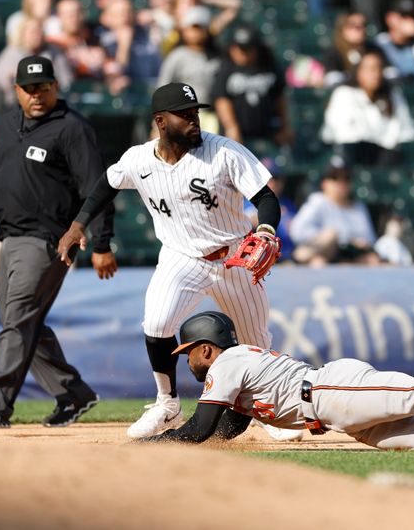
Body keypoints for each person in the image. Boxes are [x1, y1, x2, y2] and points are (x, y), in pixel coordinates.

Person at [56, 82, 301, 441]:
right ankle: (167, 403)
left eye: (195, 113)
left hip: (233, 256)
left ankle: (265, 408)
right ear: (161, 121)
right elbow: (105, 185)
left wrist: (264, 230)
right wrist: (79, 226)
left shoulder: (223, 152)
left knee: (255, 341)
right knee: (156, 322)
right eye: (184, 115)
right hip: (181, 256)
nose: (193, 121)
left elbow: (266, 197)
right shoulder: (139, 160)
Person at [0, 56, 117, 430]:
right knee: (22, 322)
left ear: (55, 87)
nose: (37, 95)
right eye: (29, 88)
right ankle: (72, 393)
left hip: (48, 242)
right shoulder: (8, 123)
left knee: (18, 319)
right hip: (8, 238)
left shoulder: (72, 128)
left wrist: (103, 243)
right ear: (17, 91)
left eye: (44, 87)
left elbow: (98, 188)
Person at [139, 310, 414, 451]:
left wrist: (155, 447)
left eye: (187, 351)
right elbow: (228, 426)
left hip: (331, 392)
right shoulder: (233, 367)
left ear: (206, 348)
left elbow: (201, 428)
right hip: (334, 413)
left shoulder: (226, 364)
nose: (186, 360)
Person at [320, 48, 414, 166]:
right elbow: (343, 135)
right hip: (352, 156)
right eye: (369, 68)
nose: (375, 73)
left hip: (386, 158)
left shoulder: (392, 95)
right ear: (358, 71)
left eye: (378, 68)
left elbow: (406, 129)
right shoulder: (344, 94)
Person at [212, 26, 292, 145]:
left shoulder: (269, 66)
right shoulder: (226, 68)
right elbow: (222, 100)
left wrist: (284, 126)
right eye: (238, 48)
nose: (241, 52)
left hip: (266, 136)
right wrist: (231, 127)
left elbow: (279, 98)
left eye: (246, 49)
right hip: (236, 137)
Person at [290, 165, 380, 267]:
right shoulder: (318, 201)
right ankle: (298, 260)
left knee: (373, 260)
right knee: (324, 249)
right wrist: (338, 238)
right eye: (335, 178)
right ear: (324, 183)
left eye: (346, 178)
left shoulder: (359, 207)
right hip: (325, 253)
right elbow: (297, 231)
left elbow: (370, 239)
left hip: (350, 256)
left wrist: (358, 243)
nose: (341, 183)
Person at [156, 6, 221, 132]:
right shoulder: (177, 56)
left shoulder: (217, 57)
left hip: (213, 116)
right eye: (194, 27)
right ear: (184, 30)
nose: (198, 32)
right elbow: (162, 90)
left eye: (202, 28)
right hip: (183, 116)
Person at [0, 14, 73, 107]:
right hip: (18, 105)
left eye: (39, 31)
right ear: (22, 34)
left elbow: (67, 80)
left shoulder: (53, 51)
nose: (37, 35)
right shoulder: (12, 54)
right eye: (32, 32)